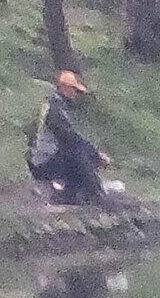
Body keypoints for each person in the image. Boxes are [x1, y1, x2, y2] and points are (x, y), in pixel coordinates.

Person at [27, 71, 112, 207]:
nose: (76, 95)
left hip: (42, 158)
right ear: (65, 88)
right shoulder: (54, 109)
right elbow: (69, 138)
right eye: (75, 91)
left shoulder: (54, 106)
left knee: (77, 151)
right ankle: (94, 193)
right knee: (76, 152)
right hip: (43, 161)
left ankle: (73, 194)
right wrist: (96, 155)